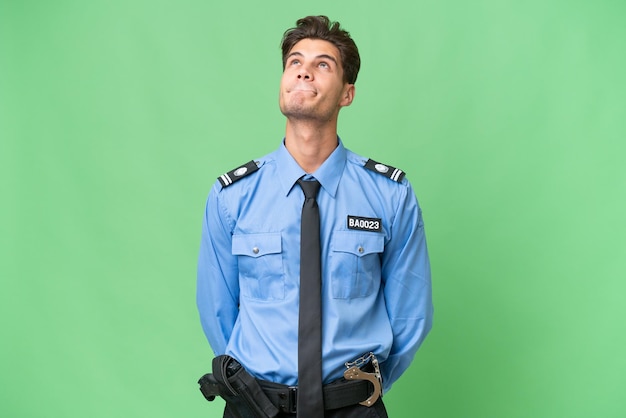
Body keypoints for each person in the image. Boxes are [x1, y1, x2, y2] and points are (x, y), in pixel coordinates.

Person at [197, 15, 433, 418]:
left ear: (347, 94)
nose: (304, 70)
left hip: (354, 409)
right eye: (294, 61)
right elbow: (217, 311)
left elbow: (412, 315)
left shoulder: (389, 195)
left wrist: (360, 391)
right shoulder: (231, 197)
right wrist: (253, 385)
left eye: (323, 64)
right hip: (256, 407)